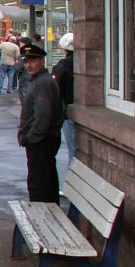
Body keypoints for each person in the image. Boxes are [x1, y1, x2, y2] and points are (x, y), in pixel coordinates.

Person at [17, 43, 64, 202]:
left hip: (41, 141)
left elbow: (43, 114)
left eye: (33, 61)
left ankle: (40, 216)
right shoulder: (39, 80)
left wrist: (31, 137)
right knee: (46, 179)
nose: (29, 65)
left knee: (39, 183)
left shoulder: (42, 82)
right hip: (43, 139)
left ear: (41, 61)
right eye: (26, 61)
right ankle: (47, 212)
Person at [52, 32, 75, 181]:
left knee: (72, 151)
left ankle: (70, 184)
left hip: (67, 113)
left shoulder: (61, 67)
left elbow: (55, 91)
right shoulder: (84, 62)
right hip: (77, 110)